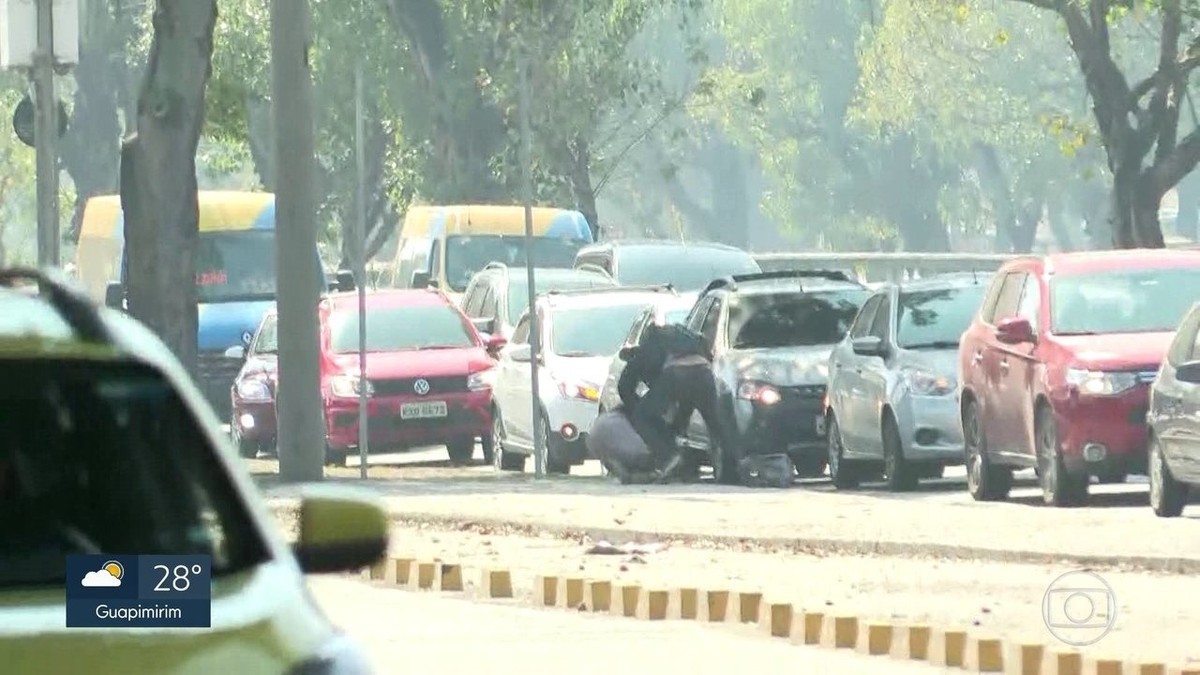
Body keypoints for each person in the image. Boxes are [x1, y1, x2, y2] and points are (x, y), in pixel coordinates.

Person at [617, 323, 722, 481]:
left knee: (643, 416)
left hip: (676, 375)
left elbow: (624, 387)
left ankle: (668, 456)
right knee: (716, 423)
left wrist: (634, 408)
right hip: (704, 373)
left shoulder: (645, 352)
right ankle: (730, 466)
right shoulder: (686, 339)